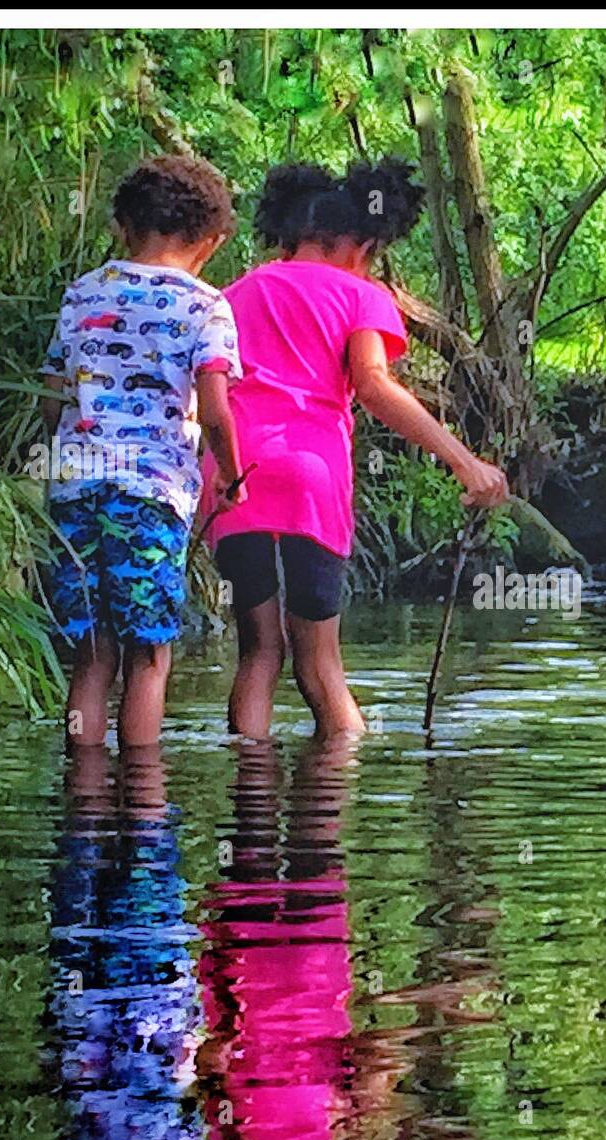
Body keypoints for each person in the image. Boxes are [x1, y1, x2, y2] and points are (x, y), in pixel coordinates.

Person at [197, 158, 508, 741]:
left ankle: (251, 808)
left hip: (235, 475)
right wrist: (465, 462)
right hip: (312, 477)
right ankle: (333, 801)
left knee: (259, 651)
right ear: (359, 245)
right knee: (320, 662)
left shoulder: (231, 295)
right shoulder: (361, 297)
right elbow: (373, 386)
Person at [40, 155, 246, 748]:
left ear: (123, 225)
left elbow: (51, 397)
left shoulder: (82, 293)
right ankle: (145, 809)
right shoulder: (205, 306)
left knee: (91, 654)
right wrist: (232, 476)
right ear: (211, 239)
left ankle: (84, 807)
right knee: (149, 655)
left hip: (75, 489)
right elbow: (213, 410)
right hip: (150, 497)